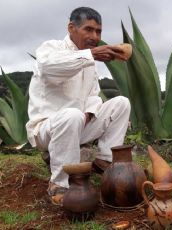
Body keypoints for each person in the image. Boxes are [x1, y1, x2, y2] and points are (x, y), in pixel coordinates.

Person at [26, 7, 131, 203]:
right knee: (72, 115)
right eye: (88, 29)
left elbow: (93, 95)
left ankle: (104, 161)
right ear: (71, 28)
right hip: (46, 130)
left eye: (98, 31)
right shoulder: (51, 48)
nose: (94, 36)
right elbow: (50, 68)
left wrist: (89, 113)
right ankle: (60, 184)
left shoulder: (89, 61)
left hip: (78, 125)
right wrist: (90, 55)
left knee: (121, 104)